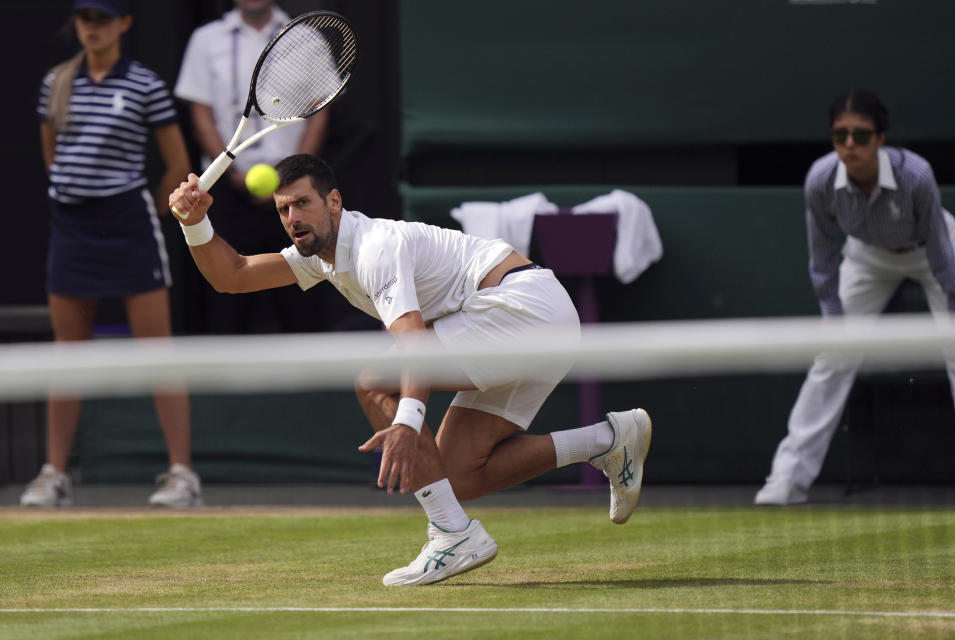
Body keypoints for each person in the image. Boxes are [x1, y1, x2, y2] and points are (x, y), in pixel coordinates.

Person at [168, 154, 652, 585]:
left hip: (522, 310)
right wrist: (195, 224)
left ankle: (451, 534)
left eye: (302, 204)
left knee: (375, 381)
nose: (293, 218)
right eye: (283, 210)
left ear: (334, 201)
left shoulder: (377, 246)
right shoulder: (322, 258)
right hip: (535, 319)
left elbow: (413, 346)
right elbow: (231, 276)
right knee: (458, 475)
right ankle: (608, 440)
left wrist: (404, 421)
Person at [20, 0, 202, 508]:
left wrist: (143, 208)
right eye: (84, 19)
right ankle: (55, 473)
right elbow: (52, 155)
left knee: (156, 353)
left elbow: (177, 164)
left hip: (128, 224)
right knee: (68, 355)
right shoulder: (56, 82)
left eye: (102, 19)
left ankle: (182, 474)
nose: (91, 28)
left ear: (124, 23)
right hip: (71, 227)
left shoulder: (145, 84)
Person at [755, 89, 955, 506]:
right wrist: (833, 315)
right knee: (832, 355)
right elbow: (824, 255)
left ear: (881, 139)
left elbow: (940, 250)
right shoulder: (820, 179)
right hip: (867, 257)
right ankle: (786, 480)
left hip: (934, 253)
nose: (850, 145)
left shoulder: (916, 175)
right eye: (840, 135)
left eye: (861, 136)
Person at [173, 0, 329, 334]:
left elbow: (319, 112)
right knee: (226, 297)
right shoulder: (206, 39)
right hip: (226, 195)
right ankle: (227, 382)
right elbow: (201, 115)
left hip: (293, 193)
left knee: (301, 290)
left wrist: (297, 176)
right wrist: (232, 174)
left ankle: (306, 382)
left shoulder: (307, 38)